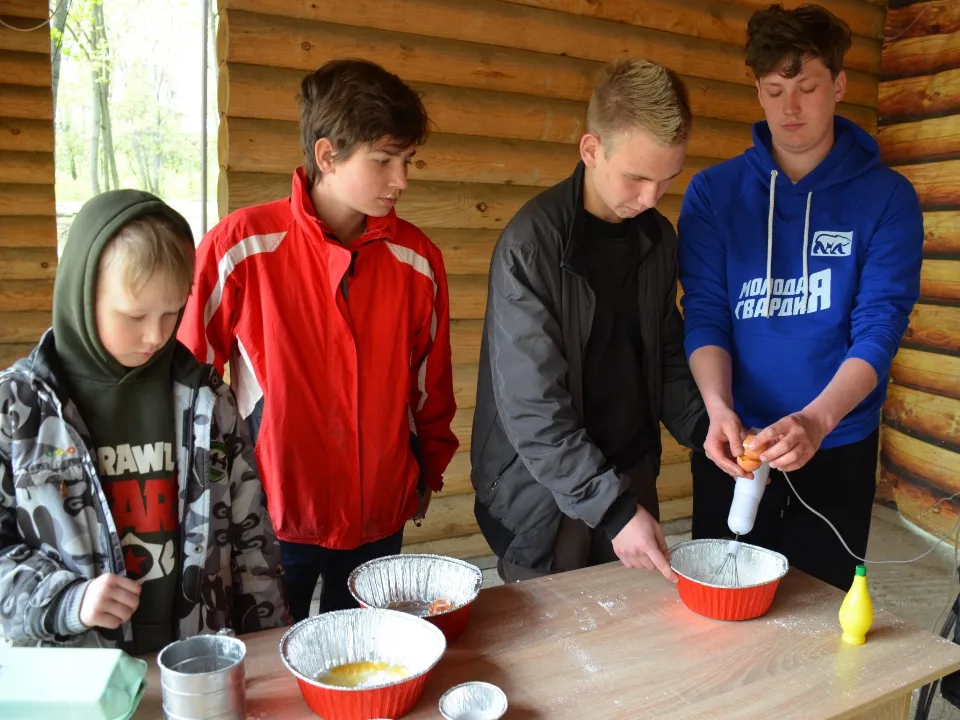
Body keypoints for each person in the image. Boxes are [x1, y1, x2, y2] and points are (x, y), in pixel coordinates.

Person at [178, 59, 459, 621]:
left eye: (406, 161)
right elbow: (188, 390)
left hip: (382, 513)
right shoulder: (240, 248)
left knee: (366, 667)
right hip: (271, 517)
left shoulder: (418, 260)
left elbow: (431, 385)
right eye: (383, 160)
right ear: (327, 155)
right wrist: (210, 501)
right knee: (273, 673)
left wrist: (428, 470)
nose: (401, 180)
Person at [678, 4, 924, 590]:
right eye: (774, 89)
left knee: (821, 613)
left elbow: (880, 326)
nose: (790, 108)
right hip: (735, 443)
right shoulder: (713, 193)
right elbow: (706, 314)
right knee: (724, 605)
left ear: (838, 86)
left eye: (807, 87)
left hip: (837, 439)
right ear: (758, 91)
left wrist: (817, 419)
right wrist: (716, 408)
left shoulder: (888, 198)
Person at [0, 190, 287, 651]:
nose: (156, 335)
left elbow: (249, 534)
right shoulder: (19, 408)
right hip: (78, 676)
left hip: (198, 657)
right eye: (134, 315)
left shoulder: (207, 399)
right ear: (82, 291)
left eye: (172, 312)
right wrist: (65, 600)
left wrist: (269, 644)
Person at [471, 58, 709, 584]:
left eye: (667, 179)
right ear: (591, 149)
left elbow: (665, 355)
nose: (650, 199)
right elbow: (533, 409)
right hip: (540, 492)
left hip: (629, 474)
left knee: (629, 641)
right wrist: (614, 510)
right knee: (551, 652)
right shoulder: (529, 246)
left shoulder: (657, 238)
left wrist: (705, 428)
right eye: (637, 177)